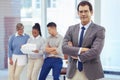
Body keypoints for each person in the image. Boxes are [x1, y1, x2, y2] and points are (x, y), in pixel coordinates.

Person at [62, 1, 105, 80]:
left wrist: (77, 56)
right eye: (81, 11)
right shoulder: (71, 29)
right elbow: (64, 48)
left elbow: (95, 51)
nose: (83, 14)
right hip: (72, 72)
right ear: (78, 13)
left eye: (86, 11)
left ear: (91, 12)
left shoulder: (99, 30)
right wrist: (81, 50)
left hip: (91, 73)